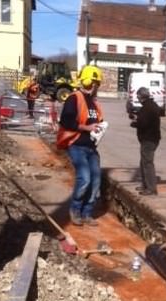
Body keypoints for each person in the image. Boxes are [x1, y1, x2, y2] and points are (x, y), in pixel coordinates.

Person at [57, 65, 105, 227]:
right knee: (84, 178)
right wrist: (86, 128)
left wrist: (99, 129)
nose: (95, 87)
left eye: (97, 84)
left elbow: (95, 122)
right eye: (94, 83)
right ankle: (75, 210)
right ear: (87, 82)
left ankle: (87, 213)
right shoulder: (74, 98)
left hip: (91, 147)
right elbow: (66, 121)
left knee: (96, 180)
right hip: (76, 144)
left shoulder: (95, 103)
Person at [129, 87, 161, 196]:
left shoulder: (147, 108)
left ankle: (151, 188)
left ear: (141, 96)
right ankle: (145, 185)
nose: (137, 98)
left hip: (149, 139)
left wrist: (134, 123)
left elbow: (143, 123)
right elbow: (144, 119)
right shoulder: (150, 106)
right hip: (151, 138)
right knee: (143, 162)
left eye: (138, 96)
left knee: (147, 163)